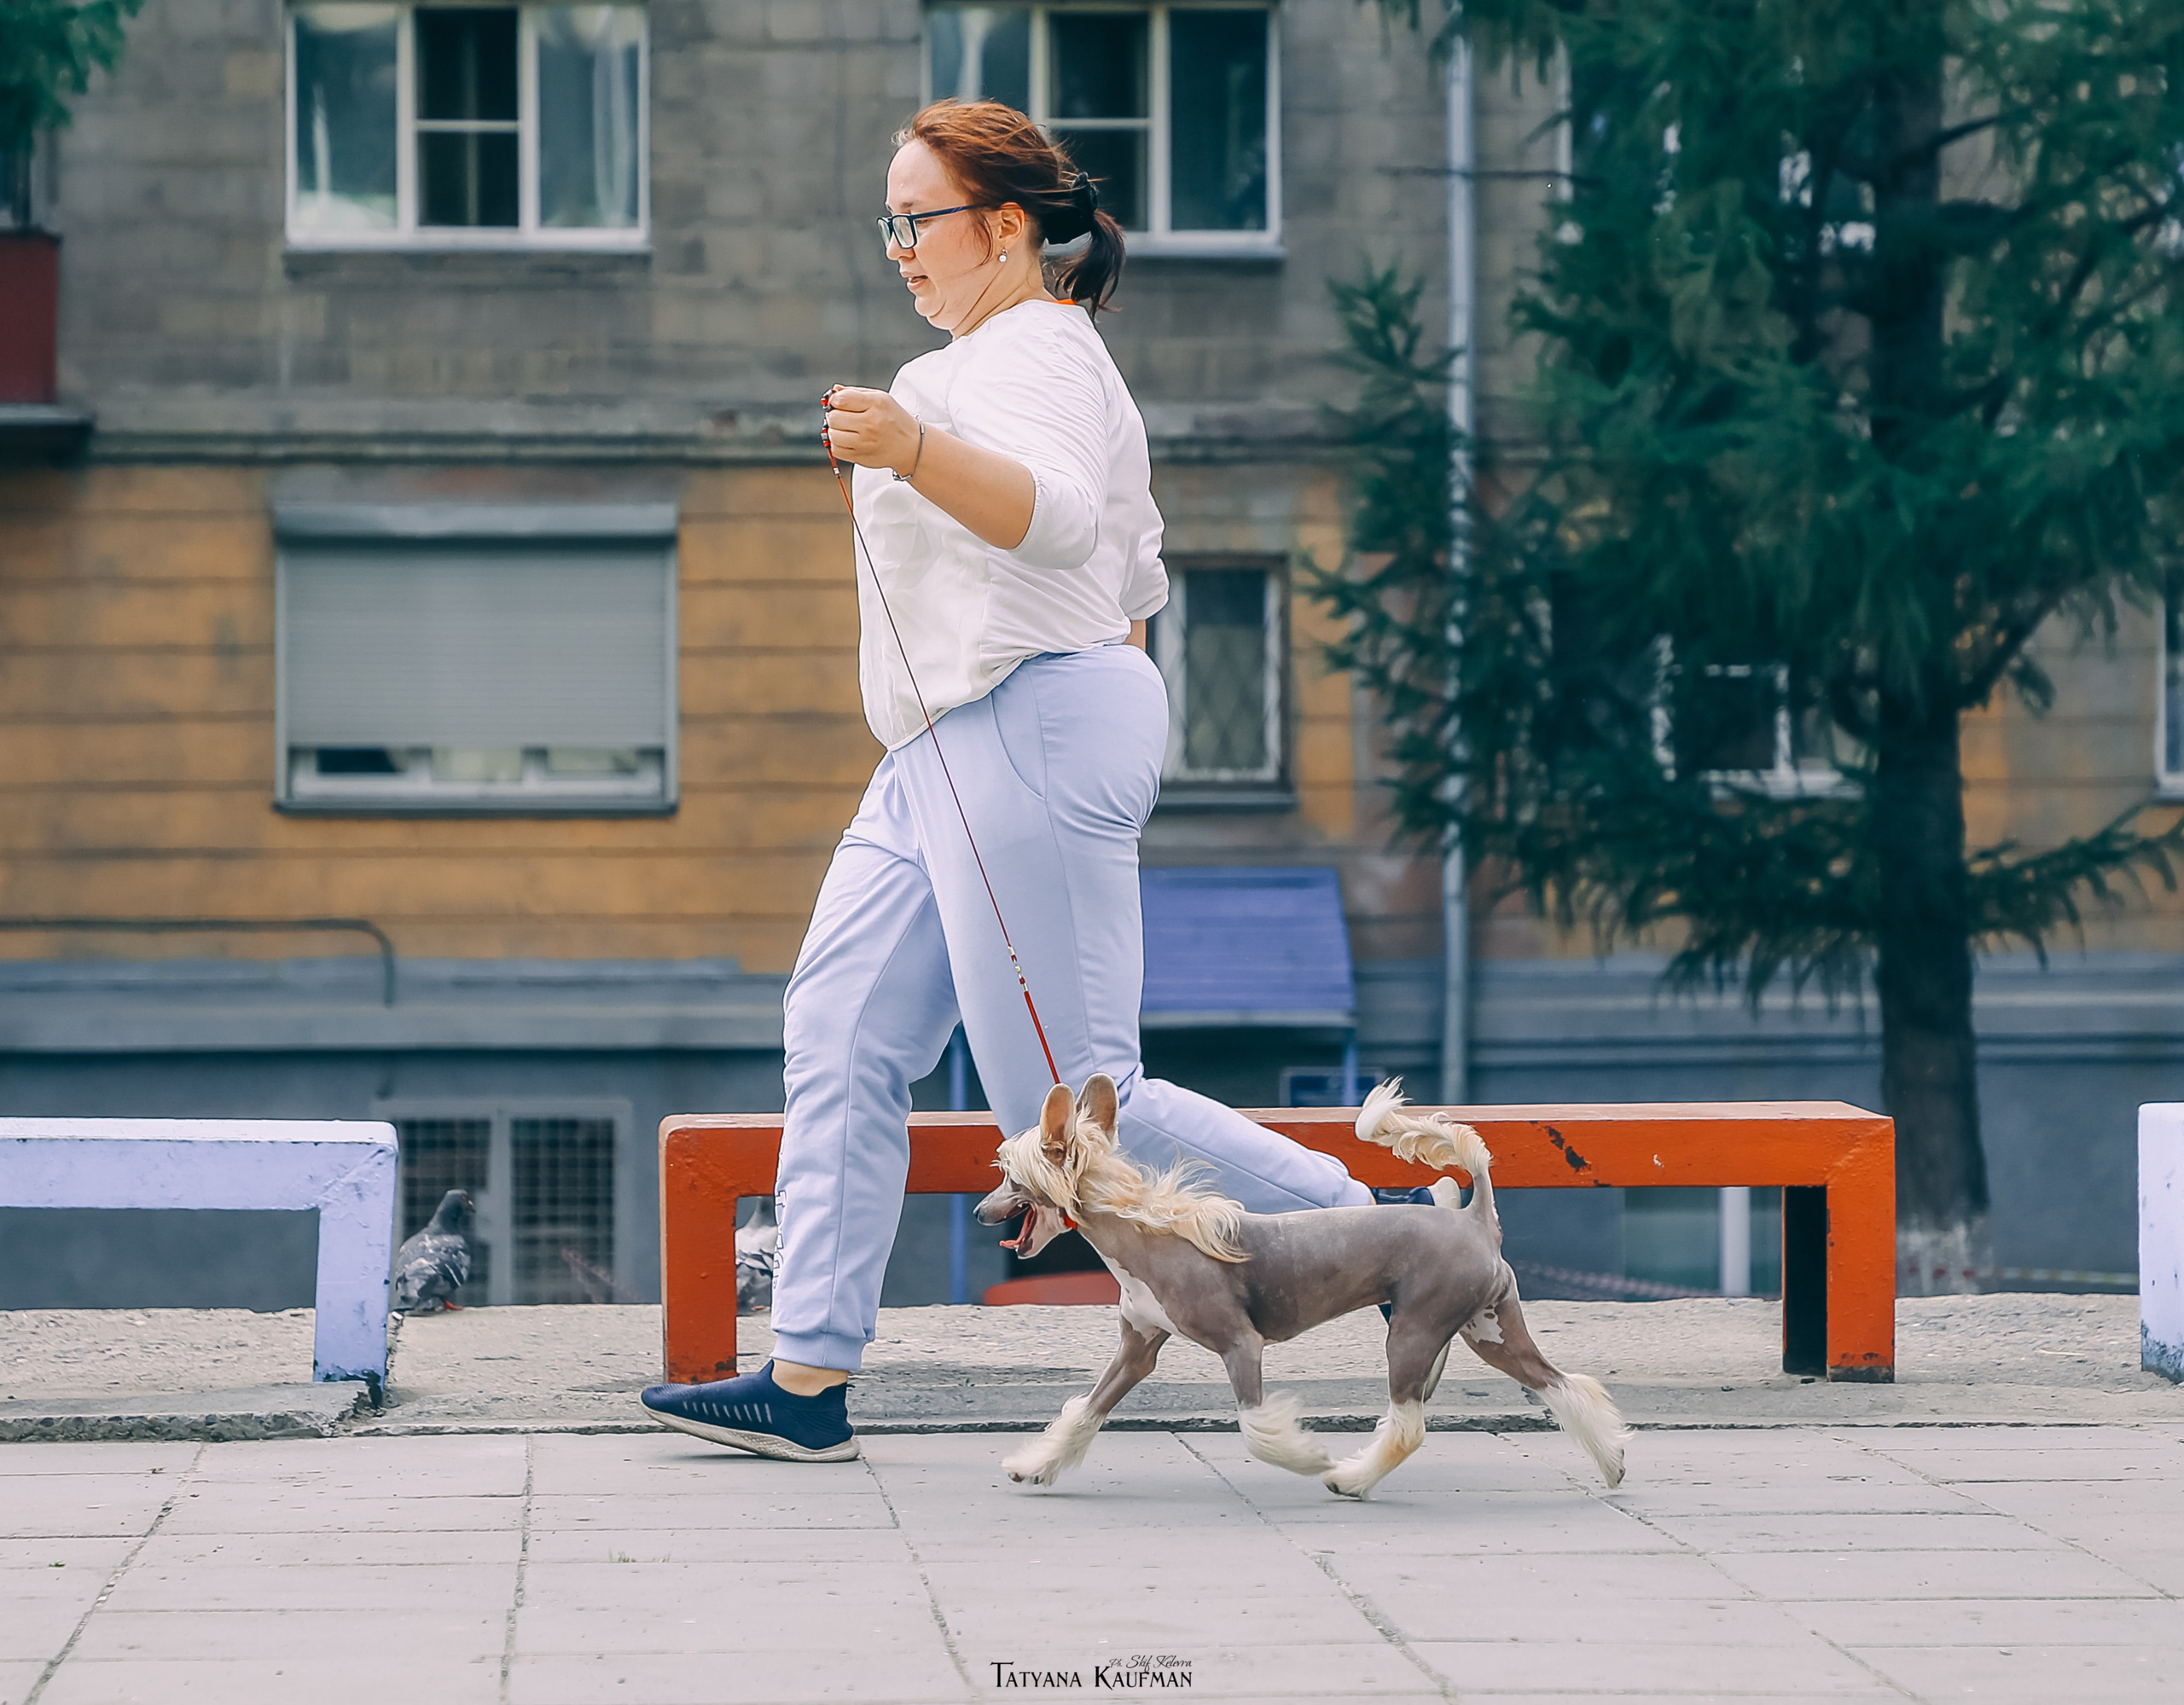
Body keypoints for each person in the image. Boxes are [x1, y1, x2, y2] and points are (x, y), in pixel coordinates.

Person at [641, 101, 1372, 1462]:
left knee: (1079, 1098)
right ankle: (804, 1385)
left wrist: (914, 458)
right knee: (844, 1031)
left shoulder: (1029, 349)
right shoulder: (1005, 360)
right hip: (943, 747)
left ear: (1010, 226)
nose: (899, 248)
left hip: (1013, 724)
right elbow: (1138, 585)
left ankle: (1380, 1236)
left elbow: (1065, 527)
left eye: (919, 220)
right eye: (891, 223)